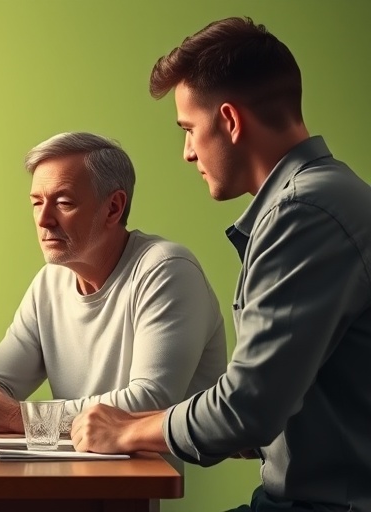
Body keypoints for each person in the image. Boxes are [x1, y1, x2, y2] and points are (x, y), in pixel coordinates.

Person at [71, 17, 371, 512]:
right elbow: (284, 399)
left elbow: (246, 407)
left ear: (229, 121)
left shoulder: (303, 214)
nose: (187, 153)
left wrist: (128, 428)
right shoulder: (322, 200)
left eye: (189, 129)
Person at [0, 131, 227, 435]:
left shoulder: (166, 269)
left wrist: (22, 418)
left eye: (64, 202)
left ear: (113, 208)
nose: (43, 220)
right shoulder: (49, 281)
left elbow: (151, 401)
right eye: (37, 202)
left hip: (140, 478)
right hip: (67, 473)